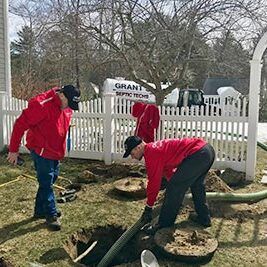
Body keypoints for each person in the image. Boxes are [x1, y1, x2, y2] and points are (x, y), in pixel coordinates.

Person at [7, 85, 81, 231]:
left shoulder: (65, 108)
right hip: (41, 150)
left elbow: (57, 122)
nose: (69, 108)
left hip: (55, 151)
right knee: (46, 182)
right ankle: (51, 214)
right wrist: (13, 150)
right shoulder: (41, 105)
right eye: (69, 103)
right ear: (62, 96)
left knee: (52, 179)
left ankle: (39, 210)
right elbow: (19, 124)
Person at [123, 135, 215, 233]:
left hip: (197, 154)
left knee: (173, 188)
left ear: (138, 147)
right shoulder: (154, 149)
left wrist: (149, 207)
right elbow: (167, 170)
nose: (132, 157)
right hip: (206, 150)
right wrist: (177, 186)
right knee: (196, 185)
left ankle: (163, 224)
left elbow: (154, 183)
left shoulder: (151, 154)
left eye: (132, 153)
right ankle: (204, 219)